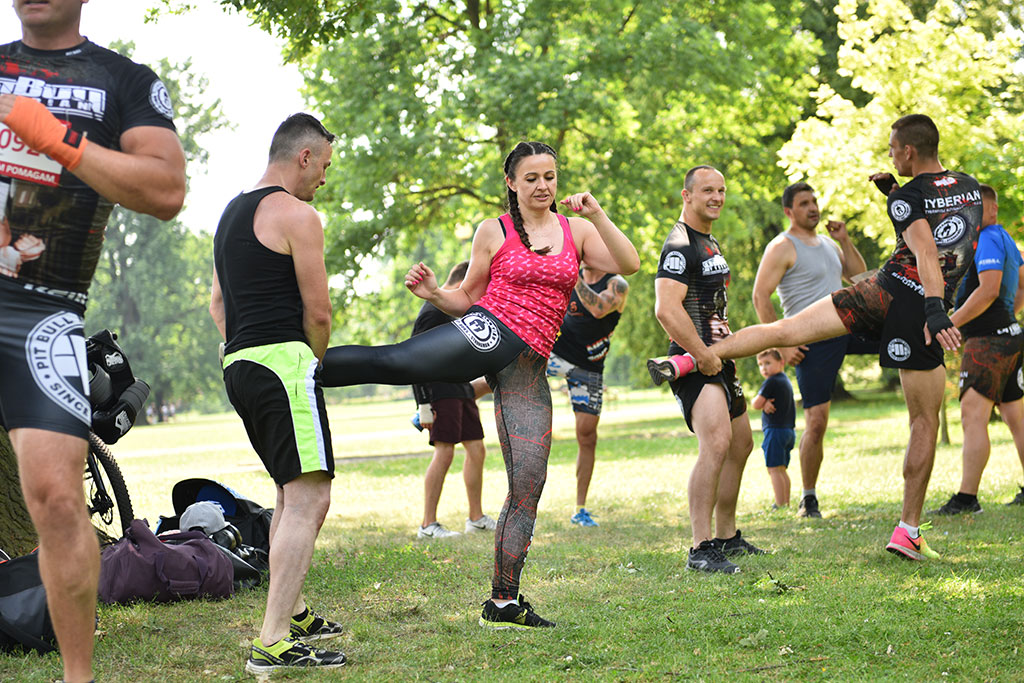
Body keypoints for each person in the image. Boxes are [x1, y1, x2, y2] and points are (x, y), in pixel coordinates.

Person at [320, 141, 639, 628]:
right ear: (511, 182)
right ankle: (302, 366)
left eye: (549, 176)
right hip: (490, 332)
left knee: (529, 481)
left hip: (528, 367)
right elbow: (468, 296)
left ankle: (504, 600)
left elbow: (630, 263)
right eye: (531, 178)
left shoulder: (577, 230)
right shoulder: (495, 230)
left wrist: (597, 212)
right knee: (401, 362)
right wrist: (433, 294)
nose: (542, 186)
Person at [653, 115, 982, 561]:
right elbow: (942, 243)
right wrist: (933, 303)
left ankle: (692, 360)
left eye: (892, 148)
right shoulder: (968, 186)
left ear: (906, 152)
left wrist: (931, 300)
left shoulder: (907, 197)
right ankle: (908, 529)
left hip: (888, 292)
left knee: (782, 331)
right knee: (924, 420)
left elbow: (923, 244)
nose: (889, 154)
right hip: (914, 306)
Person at [0, 2, 186, 680]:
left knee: (55, 493)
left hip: (40, 312)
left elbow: (167, 189)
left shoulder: (122, 81)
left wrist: (59, 141)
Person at [210, 113, 346, 673]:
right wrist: (308, 364)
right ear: (305, 157)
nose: (323, 181)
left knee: (292, 493)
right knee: (311, 495)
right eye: (324, 168)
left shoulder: (230, 214)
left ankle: (293, 610)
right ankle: (273, 640)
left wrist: (248, 349)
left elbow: (218, 303)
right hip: (283, 364)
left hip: (240, 363)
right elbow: (318, 312)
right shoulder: (298, 214)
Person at [651, 164, 765, 575]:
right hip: (696, 360)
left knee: (740, 444)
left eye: (720, 190)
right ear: (687, 196)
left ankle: (727, 536)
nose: (716, 197)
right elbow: (666, 308)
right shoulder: (680, 244)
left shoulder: (707, 240)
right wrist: (701, 353)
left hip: (719, 357)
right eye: (707, 191)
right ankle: (700, 547)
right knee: (716, 443)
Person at [751, 182, 871, 518]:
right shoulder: (781, 247)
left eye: (815, 201)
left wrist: (845, 240)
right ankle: (809, 498)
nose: (813, 208)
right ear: (789, 211)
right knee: (817, 422)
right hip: (812, 340)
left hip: (848, 327)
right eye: (804, 203)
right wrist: (782, 345)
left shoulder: (831, 244)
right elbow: (760, 297)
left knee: (899, 334)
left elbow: (860, 277)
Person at [929, 184, 1024, 514]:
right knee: (1017, 418)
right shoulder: (1006, 238)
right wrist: (1009, 316)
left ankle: (967, 498)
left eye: (976, 208)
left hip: (987, 342)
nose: (968, 215)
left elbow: (988, 290)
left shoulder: (986, 239)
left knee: (972, 417)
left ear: (992, 209)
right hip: (1010, 336)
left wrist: (949, 323)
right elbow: (1022, 283)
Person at [411, 260, 497, 539]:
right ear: (464, 281)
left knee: (476, 450)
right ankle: (428, 525)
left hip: (460, 387)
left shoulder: (455, 310)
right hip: (439, 390)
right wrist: (423, 405)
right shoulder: (433, 309)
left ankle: (475, 518)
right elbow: (413, 358)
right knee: (444, 452)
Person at [546, 265, 629, 527]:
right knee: (515, 362)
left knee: (587, 434)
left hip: (589, 367)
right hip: (557, 353)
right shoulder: (571, 274)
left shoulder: (617, 284)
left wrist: (573, 279)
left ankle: (580, 509)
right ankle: (462, 394)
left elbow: (599, 308)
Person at [751, 349, 796, 509]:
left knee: (774, 469)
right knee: (781, 469)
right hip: (788, 431)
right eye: (761, 365)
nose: (764, 368)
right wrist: (766, 403)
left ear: (781, 362)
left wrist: (761, 403)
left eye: (768, 363)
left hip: (775, 431)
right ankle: (785, 502)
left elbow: (755, 403)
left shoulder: (772, 381)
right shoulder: (785, 380)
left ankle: (779, 504)